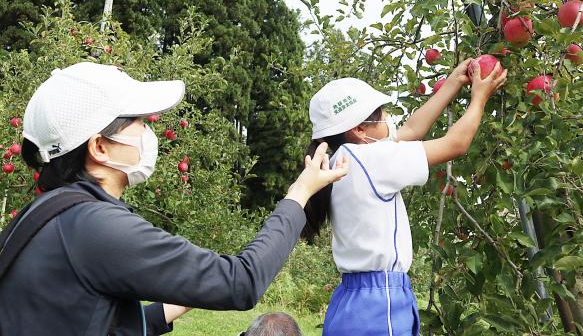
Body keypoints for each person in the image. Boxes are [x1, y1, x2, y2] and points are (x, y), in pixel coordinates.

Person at [0, 62, 349, 336]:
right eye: (136, 121)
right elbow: (240, 283)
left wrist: (177, 300)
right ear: (99, 146)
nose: (148, 130)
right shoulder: (96, 226)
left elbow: (90, 320)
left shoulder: (44, 216)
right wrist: (300, 193)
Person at [303, 59, 507, 335]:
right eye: (382, 113)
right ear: (359, 130)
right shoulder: (372, 159)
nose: (388, 117)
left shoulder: (340, 159)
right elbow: (455, 144)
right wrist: (479, 98)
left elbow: (411, 131)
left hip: (352, 301)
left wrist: (454, 82)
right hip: (381, 301)